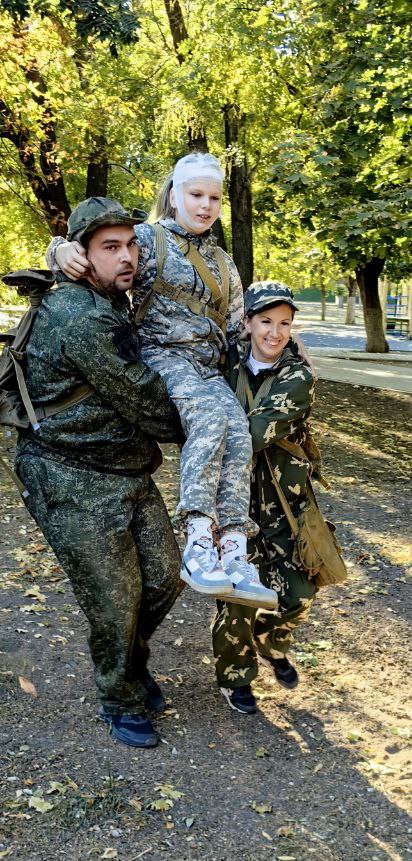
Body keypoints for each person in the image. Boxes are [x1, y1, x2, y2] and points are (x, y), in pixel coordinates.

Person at [48, 156, 277, 611]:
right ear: (174, 195)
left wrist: (279, 344)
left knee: (239, 432)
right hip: (160, 354)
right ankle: (198, 540)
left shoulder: (223, 262)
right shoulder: (149, 240)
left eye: (214, 198)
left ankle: (234, 549)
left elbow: (236, 330)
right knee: (210, 418)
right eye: (196, 195)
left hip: (206, 368)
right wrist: (58, 251)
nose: (206, 205)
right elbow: (96, 249)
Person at [15, 197, 185, 749]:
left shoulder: (110, 299)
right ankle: (119, 698)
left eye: (131, 244)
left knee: (165, 577)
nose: (127, 256)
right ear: (83, 256)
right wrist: (207, 421)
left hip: (125, 469)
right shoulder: (79, 314)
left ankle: (130, 663)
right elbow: (150, 403)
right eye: (111, 247)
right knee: (115, 601)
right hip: (70, 476)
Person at [213, 281, 319, 715]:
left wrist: (215, 425)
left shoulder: (298, 376)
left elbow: (253, 435)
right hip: (232, 502)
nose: (275, 333)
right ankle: (235, 677)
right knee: (237, 597)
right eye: (266, 321)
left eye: (284, 324)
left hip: (284, 503)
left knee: (300, 592)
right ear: (248, 322)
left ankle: (270, 641)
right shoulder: (224, 361)